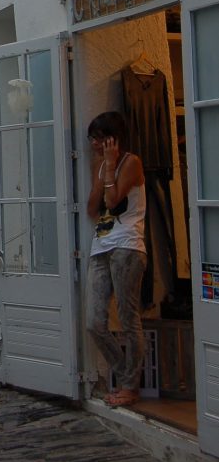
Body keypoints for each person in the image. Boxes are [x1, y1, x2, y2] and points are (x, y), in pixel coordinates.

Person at [86, 111, 147, 407]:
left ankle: (130, 386)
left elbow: (112, 201)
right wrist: (100, 169)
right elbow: (92, 208)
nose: (94, 145)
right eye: (92, 140)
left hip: (127, 246)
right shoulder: (99, 165)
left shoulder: (131, 163)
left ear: (113, 139)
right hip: (101, 246)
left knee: (127, 317)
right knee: (95, 321)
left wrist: (110, 165)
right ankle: (125, 375)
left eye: (98, 139)